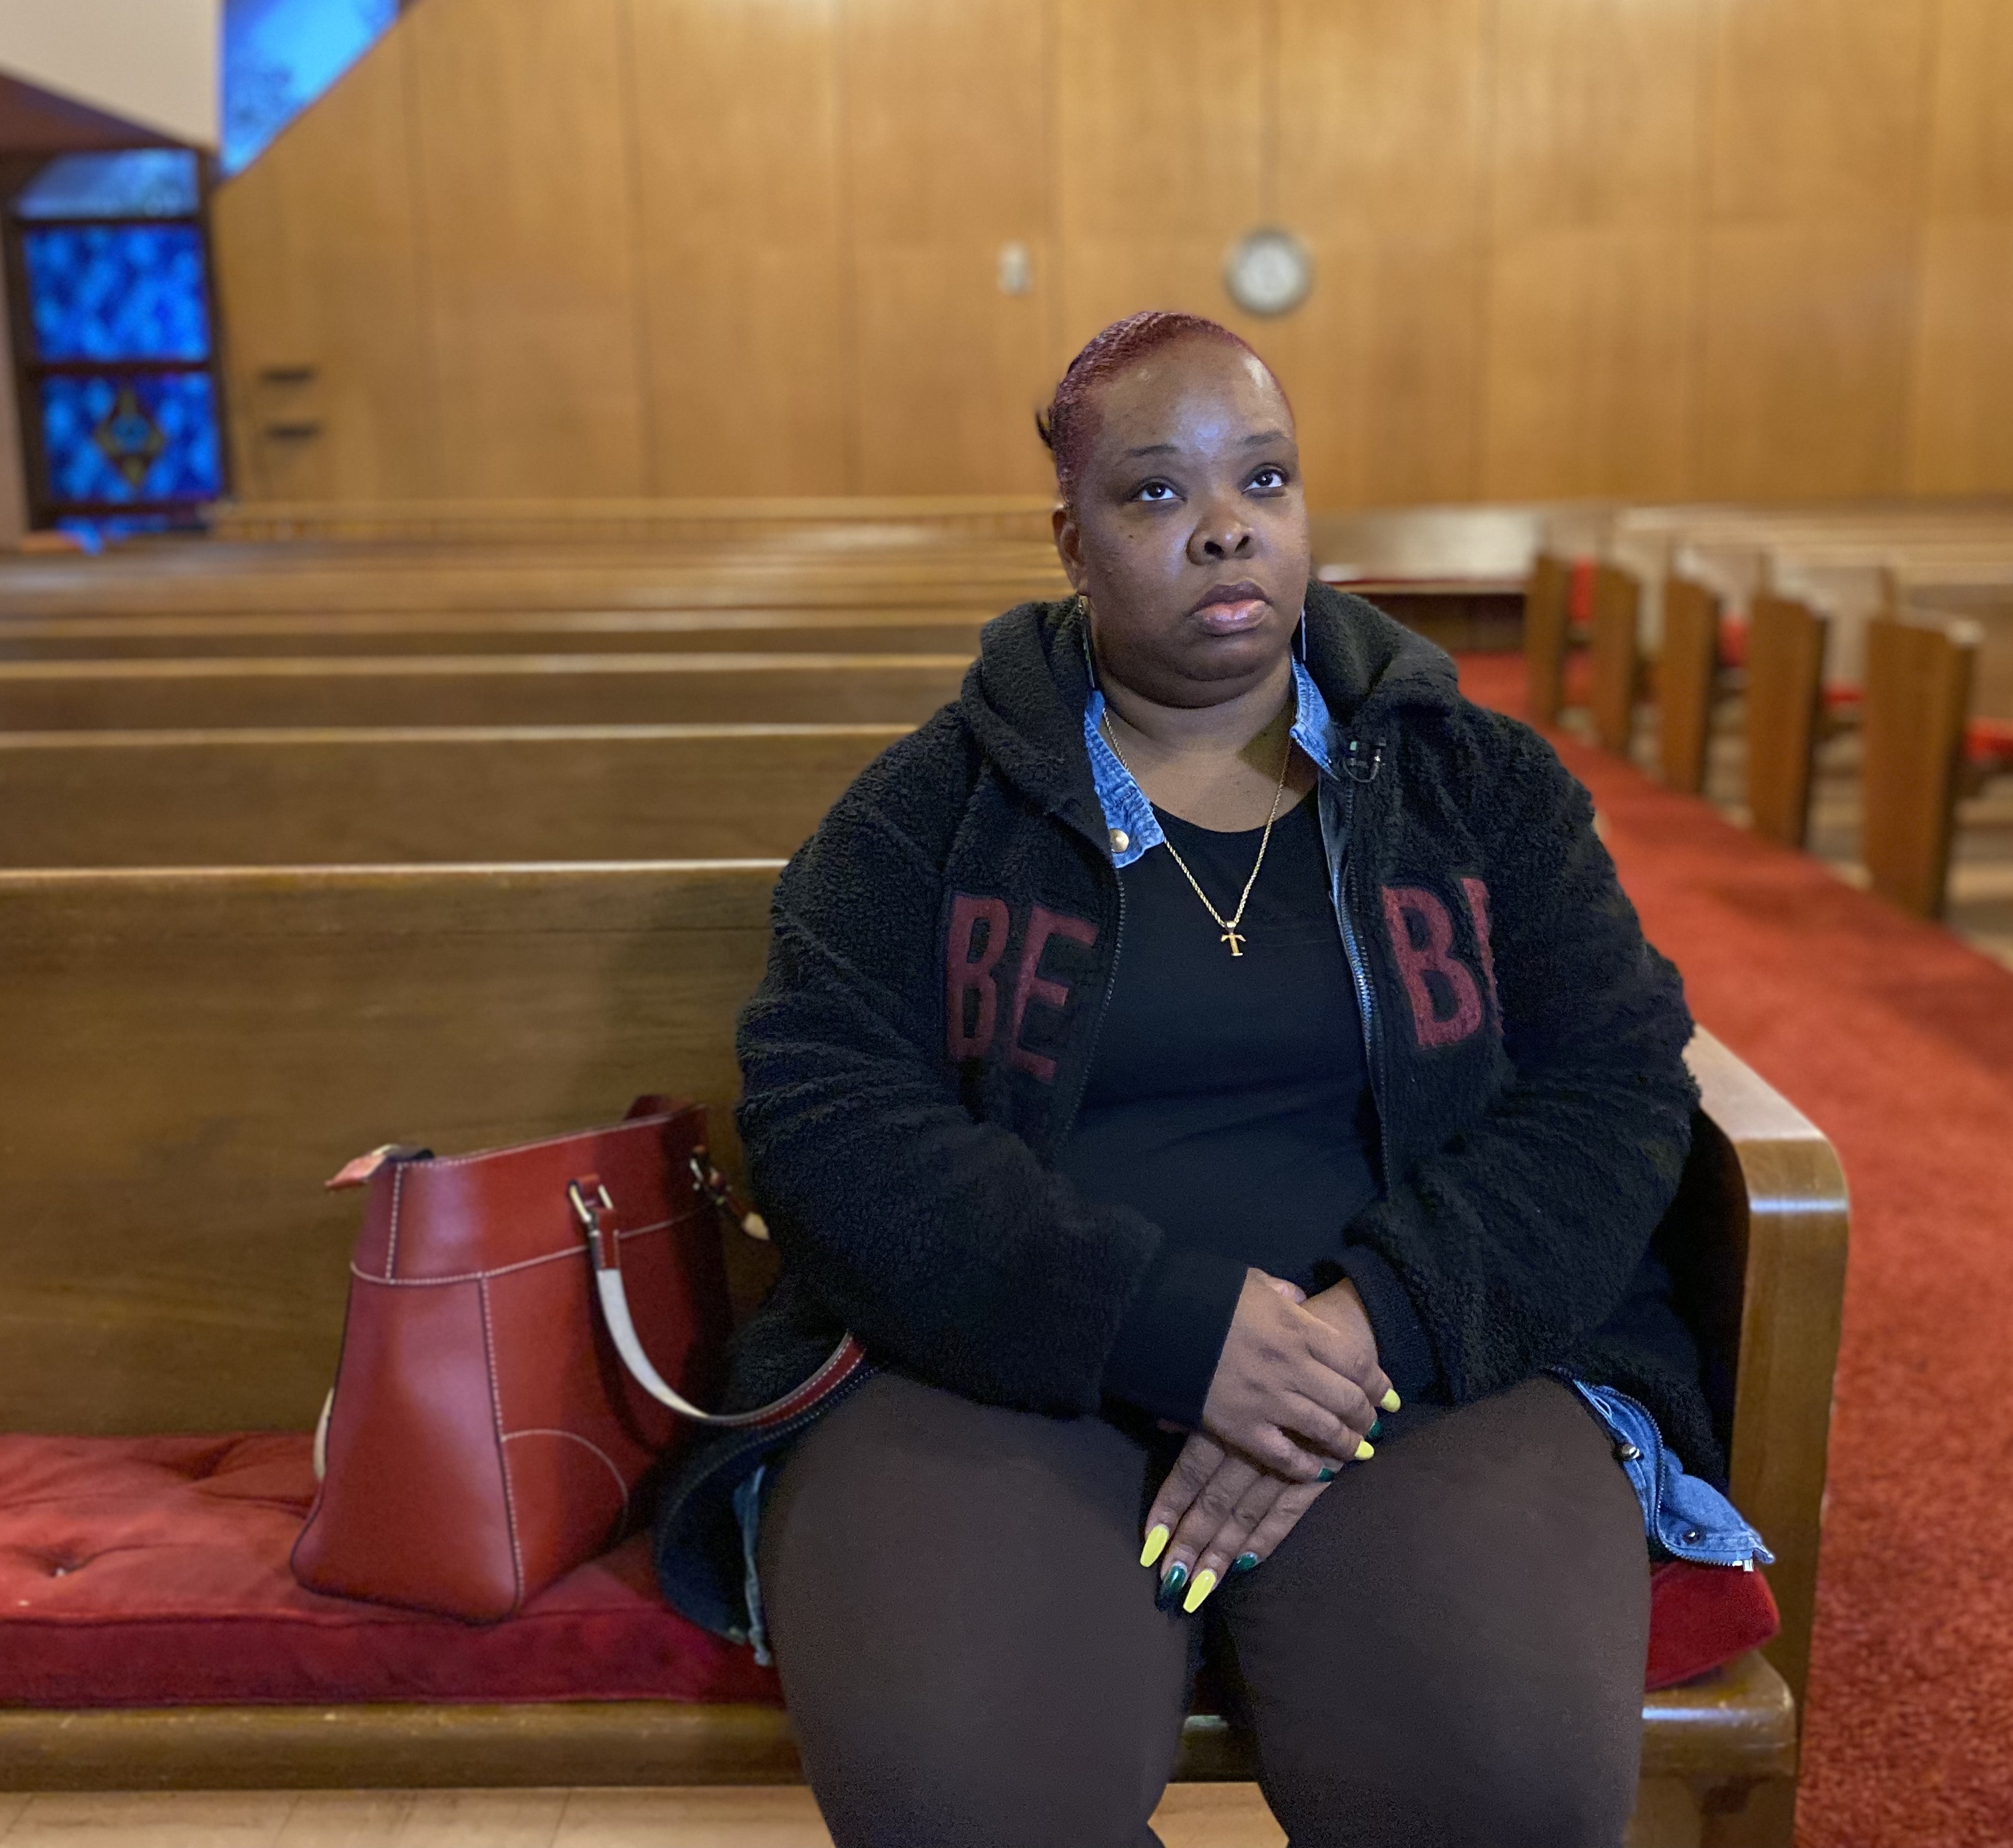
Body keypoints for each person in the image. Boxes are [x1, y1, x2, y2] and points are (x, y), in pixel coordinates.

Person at [656, 310, 1768, 1848]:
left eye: (1265, 478)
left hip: (1429, 1366)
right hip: (999, 1363)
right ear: (1073, 539)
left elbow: (1616, 1085)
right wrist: (1166, 1329)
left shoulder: (1476, 786)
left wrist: (1368, 1331)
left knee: (1500, 1792)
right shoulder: (930, 810)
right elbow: (826, 1113)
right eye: (1157, 492)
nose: (1228, 526)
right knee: (972, 1803)